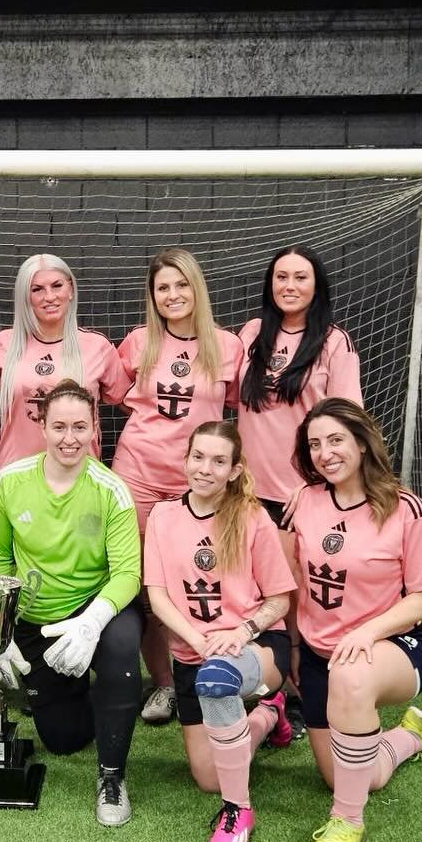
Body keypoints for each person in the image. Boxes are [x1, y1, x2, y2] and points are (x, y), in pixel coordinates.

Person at [276, 397, 422, 842]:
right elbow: (290, 581)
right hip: (320, 655)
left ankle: (347, 822)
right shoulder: (304, 502)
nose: (324, 452)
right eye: (314, 444)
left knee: (352, 677)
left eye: (335, 440)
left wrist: (367, 631)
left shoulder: (406, 509)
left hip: (395, 646)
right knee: (350, 774)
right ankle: (411, 736)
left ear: (361, 442)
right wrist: (294, 645)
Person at [0, 380, 143, 827]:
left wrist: (91, 625)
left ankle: (112, 776)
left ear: (94, 428)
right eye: (59, 427)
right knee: (63, 739)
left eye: (79, 426)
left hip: (95, 609)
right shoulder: (9, 483)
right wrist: (2, 628)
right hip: (36, 619)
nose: (69, 437)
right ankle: (90, 695)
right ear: (42, 428)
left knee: (122, 650)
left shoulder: (111, 489)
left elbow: (128, 573)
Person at [144, 422, 296, 842]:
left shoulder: (251, 517)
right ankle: (269, 716)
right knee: (208, 777)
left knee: (217, 678)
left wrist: (241, 631)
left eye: (217, 461)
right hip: (193, 653)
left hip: (257, 646)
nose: (205, 468)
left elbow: (281, 600)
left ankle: (239, 810)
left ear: (233, 470)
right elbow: (157, 595)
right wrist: (197, 638)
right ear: (186, 459)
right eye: (198, 457)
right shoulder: (163, 516)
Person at [110, 247, 245, 726]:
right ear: (152, 295)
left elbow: (232, 409)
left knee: (204, 579)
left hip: (201, 483)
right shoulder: (137, 342)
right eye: (162, 287)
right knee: (150, 587)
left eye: (181, 285)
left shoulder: (227, 346)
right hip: (139, 475)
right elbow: (116, 394)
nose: (172, 295)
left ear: (197, 288)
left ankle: (213, 667)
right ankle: (164, 685)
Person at [235, 244, 362, 521]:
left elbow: (349, 424)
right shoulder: (252, 332)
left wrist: (315, 482)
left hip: (300, 495)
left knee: (290, 567)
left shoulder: (335, 342)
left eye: (300, 277)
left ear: (317, 286)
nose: (289, 286)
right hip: (244, 491)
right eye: (281, 277)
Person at [0, 253, 131, 470]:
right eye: (37, 289)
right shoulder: (3, 344)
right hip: (16, 474)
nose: (49, 296)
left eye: (57, 286)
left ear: (71, 290)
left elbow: (122, 399)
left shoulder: (98, 347)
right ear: (25, 297)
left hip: (78, 473)